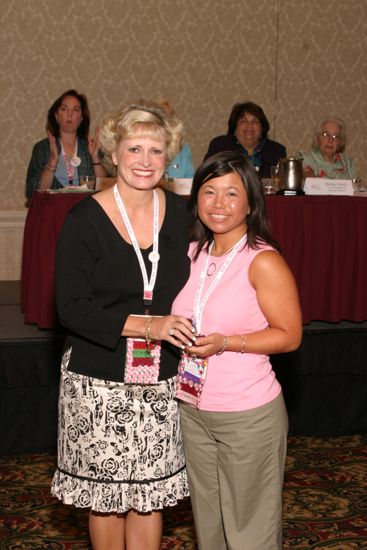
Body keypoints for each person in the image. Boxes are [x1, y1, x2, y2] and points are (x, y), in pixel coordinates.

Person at [51, 100, 197, 550]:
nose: (146, 161)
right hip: (98, 380)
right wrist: (148, 326)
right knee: (108, 500)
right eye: (135, 149)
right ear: (115, 154)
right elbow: (71, 309)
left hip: (162, 379)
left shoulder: (184, 213)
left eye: (156, 151)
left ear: (168, 155)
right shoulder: (82, 220)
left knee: (150, 497)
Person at [171, 151, 302, 550]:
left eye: (232, 193)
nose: (219, 204)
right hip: (193, 410)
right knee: (209, 528)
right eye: (209, 192)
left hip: (248, 415)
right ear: (196, 199)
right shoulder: (193, 253)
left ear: (250, 201)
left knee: (250, 533)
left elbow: (290, 335)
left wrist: (227, 342)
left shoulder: (262, 260)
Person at [26, 89, 105, 199]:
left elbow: (106, 189)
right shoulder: (42, 149)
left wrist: (95, 158)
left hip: (84, 212)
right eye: (64, 109)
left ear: (81, 118)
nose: (69, 114)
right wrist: (52, 163)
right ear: (56, 116)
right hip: (52, 211)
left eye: (75, 110)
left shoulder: (90, 147)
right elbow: (32, 192)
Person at [203, 101, 286, 178]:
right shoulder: (220, 146)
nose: (249, 126)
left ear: (262, 128)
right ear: (235, 127)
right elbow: (206, 176)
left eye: (255, 121)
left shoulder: (277, 151)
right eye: (243, 121)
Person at [298, 116, 357, 180]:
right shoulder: (306, 158)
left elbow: (356, 187)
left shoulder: (348, 163)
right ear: (317, 138)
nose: (330, 140)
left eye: (335, 136)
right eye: (326, 135)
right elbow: (310, 180)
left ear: (341, 142)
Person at [159, 99, 195, 179]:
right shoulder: (148, 145)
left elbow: (190, 177)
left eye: (169, 117)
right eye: (162, 116)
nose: (166, 121)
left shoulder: (183, 148)